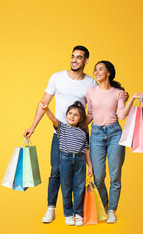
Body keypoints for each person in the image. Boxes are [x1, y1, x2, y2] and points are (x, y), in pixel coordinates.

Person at [23, 46, 128, 223]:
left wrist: (122, 95)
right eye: (73, 57)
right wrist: (33, 126)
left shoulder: (91, 83)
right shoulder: (57, 77)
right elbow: (44, 103)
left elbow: (103, 99)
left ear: (86, 61)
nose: (74, 60)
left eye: (79, 58)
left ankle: (78, 212)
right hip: (60, 132)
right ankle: (51, 208)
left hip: (80, 135)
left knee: (80, 175)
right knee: (56, 171)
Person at [85, 60, 143, 223]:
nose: (96, 72)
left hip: (115, 134)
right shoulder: (90, 92)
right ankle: (104, 205)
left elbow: (122, 116)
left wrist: (132, 97)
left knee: (115, 175)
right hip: (96, 134)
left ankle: (112, 210)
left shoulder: (118, 93)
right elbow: (90, 113)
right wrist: (79, 127)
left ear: (109, 73)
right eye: (95, 69)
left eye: (100, 69)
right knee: (98, 176)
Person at [41, 100, 93, 226]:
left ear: (80, 119)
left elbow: (86, 151)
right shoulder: (62, 128)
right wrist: (46, 109)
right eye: (70, 113)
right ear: (66, 115)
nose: (72, 116)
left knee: (79, 188)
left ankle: (78, 214)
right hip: (65, 161)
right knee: (66, 188)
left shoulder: (82, 133)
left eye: (76, 115)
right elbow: (53, 118)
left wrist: (90, 166)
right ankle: (68, 214)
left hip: (80, 162)